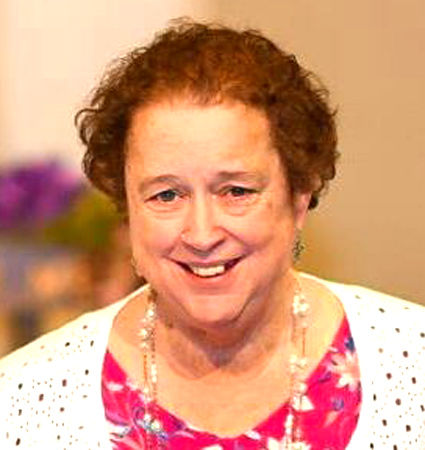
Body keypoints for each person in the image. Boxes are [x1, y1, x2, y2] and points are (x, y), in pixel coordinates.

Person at [1, 19, 424, 450]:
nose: (202, 235)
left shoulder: (413, 364)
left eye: (236, 191)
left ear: (298, 198)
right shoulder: (20, 405)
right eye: (166, 195)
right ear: (127, 212)